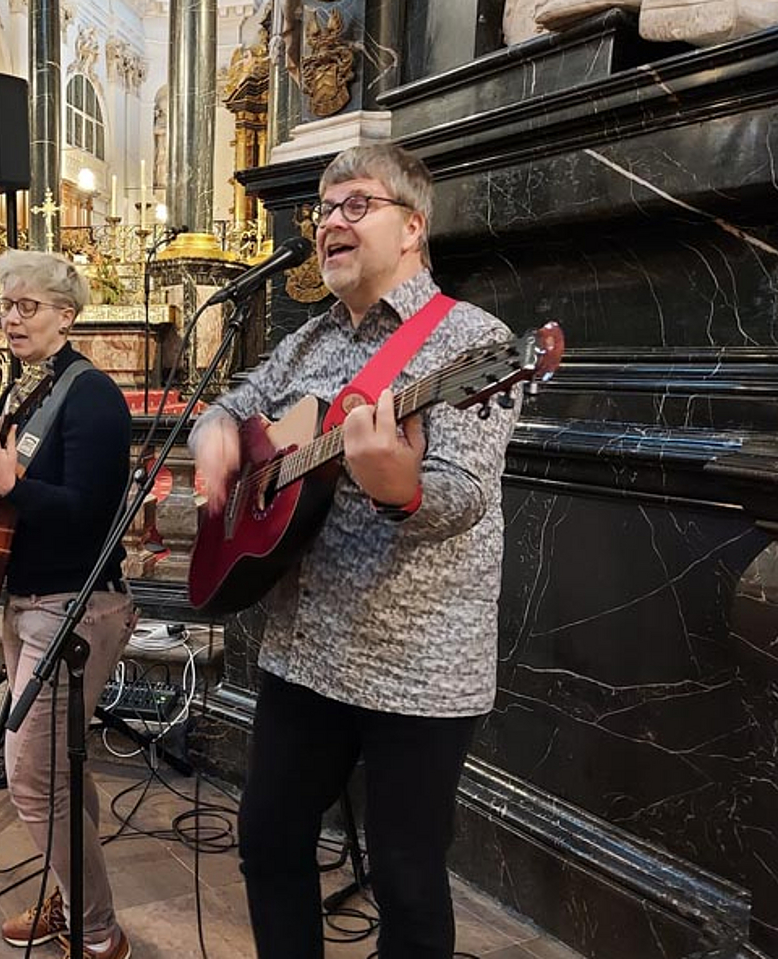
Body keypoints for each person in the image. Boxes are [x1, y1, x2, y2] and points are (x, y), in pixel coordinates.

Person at [189, 142, 520, 959]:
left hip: (417, 662)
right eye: (325, 208)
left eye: (356, 205)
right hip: (305, 649)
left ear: (412, 226)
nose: (331, 222)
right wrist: (214, 436)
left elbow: (465, 495)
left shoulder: (473, 344)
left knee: (407, 877)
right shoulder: (307, 343)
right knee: (268, 842)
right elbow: (235, 403)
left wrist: (399, 484)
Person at [0, 251, 137, 959]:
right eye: (6, 305)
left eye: (28, 307)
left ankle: (98, 931)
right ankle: (73, 897)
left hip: (77, 605)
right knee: (57, 770)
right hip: (23, 599)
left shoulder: (94, 397)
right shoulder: (27, 388)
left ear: (66, 316)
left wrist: (12, 486)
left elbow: (89, 513)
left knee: (31, 773)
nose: (11, 318)